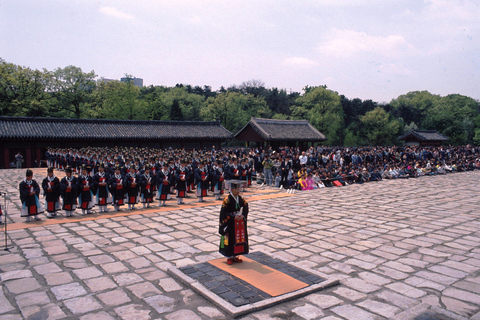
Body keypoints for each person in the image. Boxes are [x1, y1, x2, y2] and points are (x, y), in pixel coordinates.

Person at [219, 180, 249, 265]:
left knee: (237, 238)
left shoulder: (241, 198)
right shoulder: (227, 199)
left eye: (239, 189)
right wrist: (232, 217)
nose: (238, 191)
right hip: (230, 223)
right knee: (229, 238)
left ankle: (235, 255)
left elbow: (246, 207)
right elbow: (223, 213)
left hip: (238, 221)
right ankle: (228, 256)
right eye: (236, 189)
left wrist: (243, 215)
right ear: (231, 189)